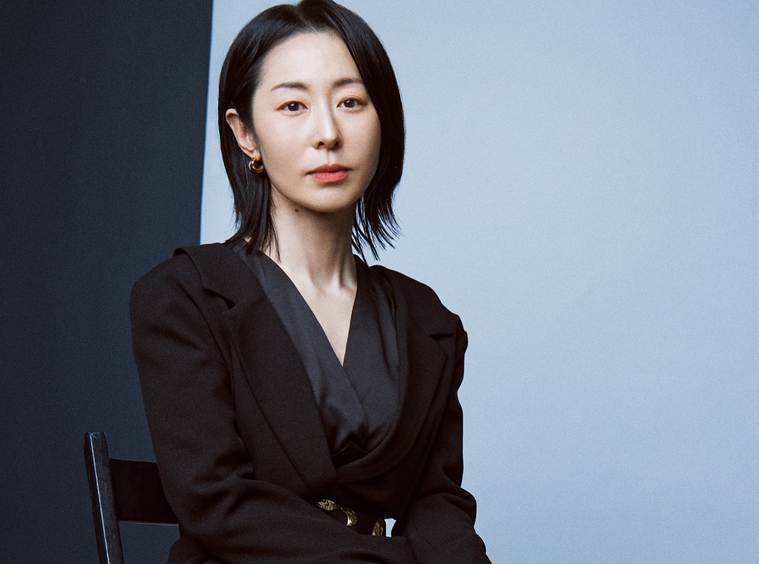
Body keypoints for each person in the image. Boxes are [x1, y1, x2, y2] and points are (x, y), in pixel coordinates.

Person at [128, 1, 491, 562]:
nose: (328, 133)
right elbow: (215, 500)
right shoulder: (183, 296)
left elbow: (437, 501)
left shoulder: (428, 321)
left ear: (384, 121)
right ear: (245, 134)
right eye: (293, 105)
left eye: (351, 102)